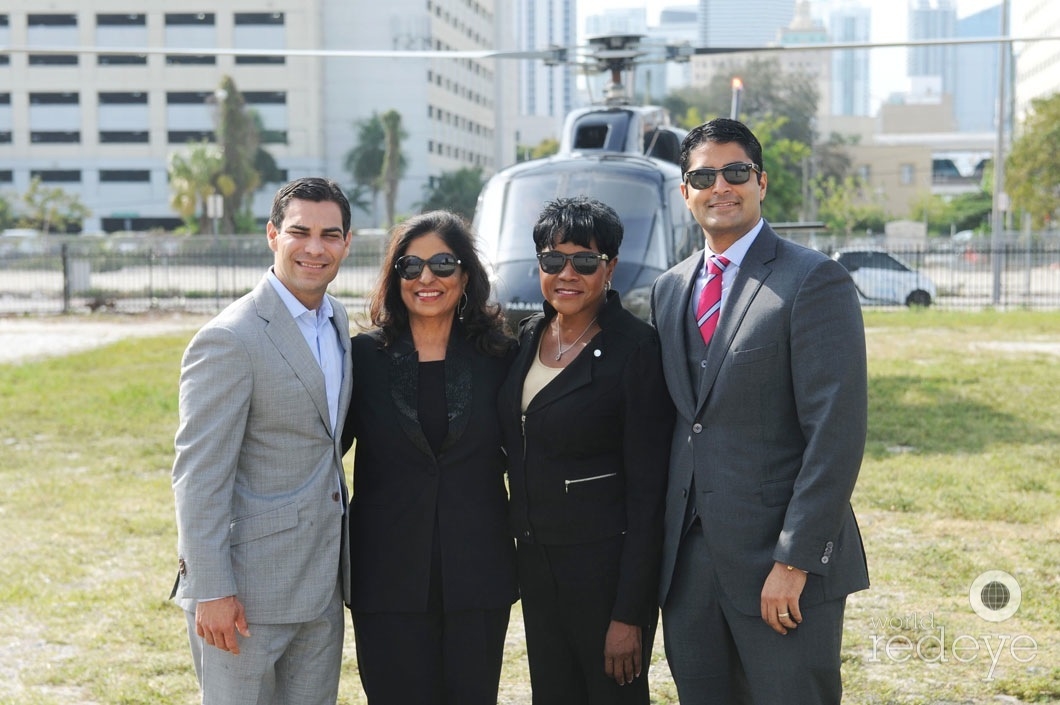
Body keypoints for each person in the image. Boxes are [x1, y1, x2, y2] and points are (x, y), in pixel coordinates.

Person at [650, 117, 870, 705]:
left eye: (736, 172)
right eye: (703, 175)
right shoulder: (669, 289)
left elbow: (836, 432)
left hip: (779, 563)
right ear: (685, 192)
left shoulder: (814, 280)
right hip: (689, 568)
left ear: (762, 181)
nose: (720, 186)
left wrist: (795, 560)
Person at [171, 177, 353, 704]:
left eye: (330, 234)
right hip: (244, 595)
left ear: (346, 242)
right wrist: (212, 589)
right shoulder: (229, 338)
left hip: (321, 586)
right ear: (273, 235)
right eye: (300, 231)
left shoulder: (336, 319)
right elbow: (198, 474)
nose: (315, 248)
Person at [497, 196, 674, 705]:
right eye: (553, 260)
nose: (566, 273)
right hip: (536, 561)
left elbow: (648, 495)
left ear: (610, 267)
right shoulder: (529, 335)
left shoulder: (636, 350)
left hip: (603, 571)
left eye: (585, 261)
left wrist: (629, 615)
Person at [341, 211, 518, 705]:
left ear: (465, 274)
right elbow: (321, 450)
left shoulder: (501, 356)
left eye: (443, 264)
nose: (426, 279)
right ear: (394, 275)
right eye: (410, 266)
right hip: (385, 575)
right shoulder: (361, 359)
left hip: (477, 574)